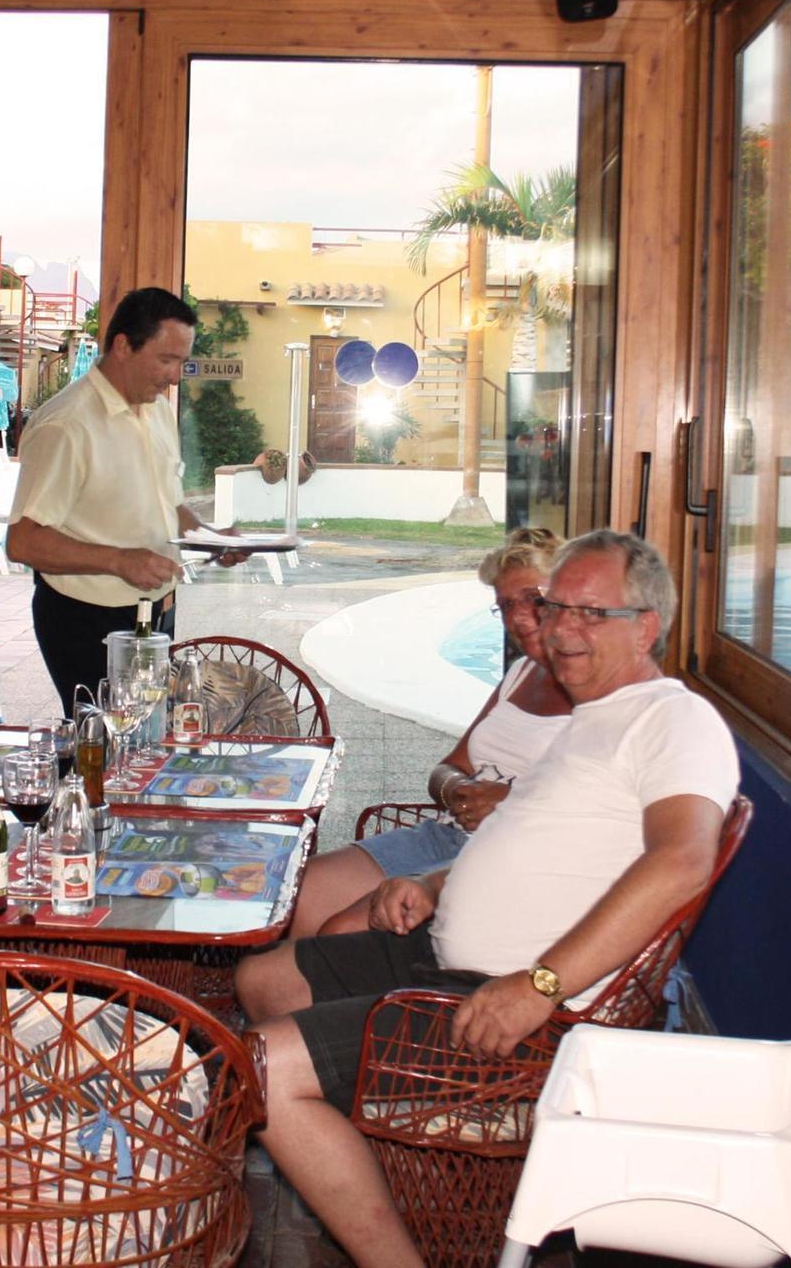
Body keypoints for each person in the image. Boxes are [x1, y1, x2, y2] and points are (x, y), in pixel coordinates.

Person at [233, 530, 738, 1268]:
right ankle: (379, 1152)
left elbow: (684, 857)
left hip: (519, 1003)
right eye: (556, 606)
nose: (563, 628)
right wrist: (435, 885)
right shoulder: (590, 716)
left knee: (264, 1070)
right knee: (263, 977)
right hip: (444, 947)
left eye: (591, 613)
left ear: (648, 626)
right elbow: (532, 837)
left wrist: (540, 986)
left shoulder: (673, 718)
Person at [286, 528, 571, 938]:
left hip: (507, 859)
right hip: (446, 833)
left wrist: (510, 803)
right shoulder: (521, 673)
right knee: (296, 897)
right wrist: (457, 790)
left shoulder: (598, 694)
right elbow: (447, 768)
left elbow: (597, 817)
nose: (518, 617)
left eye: (535, 598)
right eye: (505, 605)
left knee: (339, 932)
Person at [7, 287, 242, 714]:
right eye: (166, 360)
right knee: (102, 746)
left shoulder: (156, 412)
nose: (175, 377)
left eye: (181, 362)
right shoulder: (67, 425)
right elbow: (23, 542)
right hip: (85, 616)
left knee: (147, 739)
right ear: (122, 346)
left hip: (152, 612)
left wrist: (209, 538)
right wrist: (120, 559)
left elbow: (168, 507)